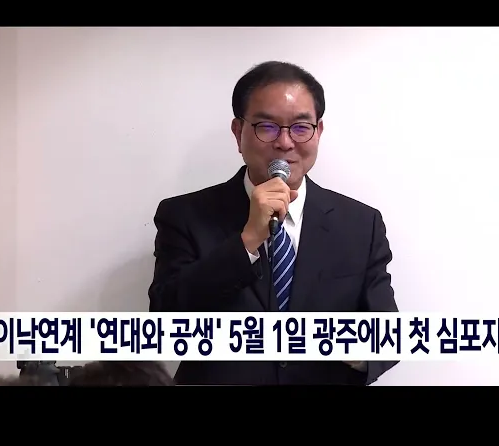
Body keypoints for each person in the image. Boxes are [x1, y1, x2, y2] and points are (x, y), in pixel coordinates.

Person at [149, 61, 399, 385]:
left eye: (300, 127)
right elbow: (165, 321)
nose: (285, 142)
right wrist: (247, 242)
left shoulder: (361, 224)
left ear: (318, 132)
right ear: (238, 132)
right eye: (267, 127)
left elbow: (388, 336)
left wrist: (336, 341)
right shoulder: (184, 215)